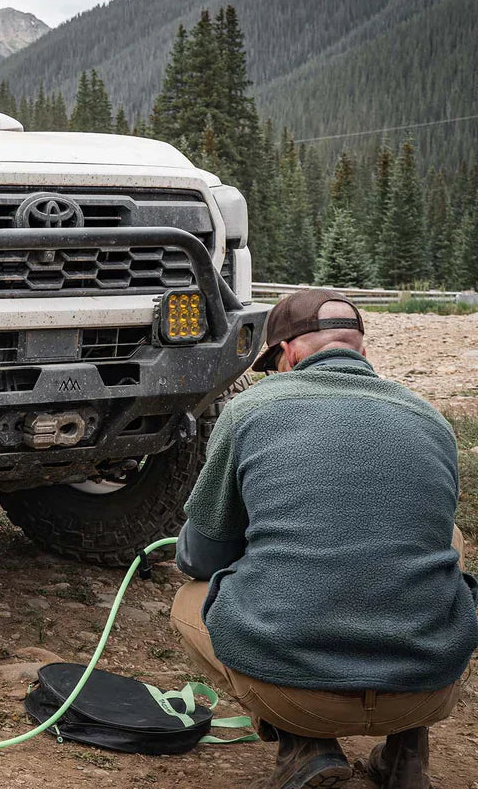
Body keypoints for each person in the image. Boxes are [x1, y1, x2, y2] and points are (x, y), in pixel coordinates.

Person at [169, 288, 478, 789]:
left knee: (189, 601)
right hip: (427, 685)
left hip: (299, 693)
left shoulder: (249, 410)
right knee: (448, 539)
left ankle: (304, 747)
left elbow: (201, 559)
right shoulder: (432, 420)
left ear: (289, 353)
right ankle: (406, 752)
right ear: (358, 348)